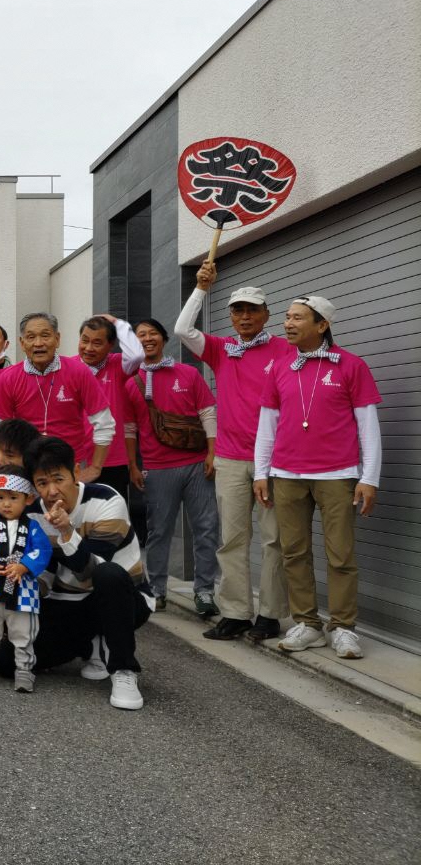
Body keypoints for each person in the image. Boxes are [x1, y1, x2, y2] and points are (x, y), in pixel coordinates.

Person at [255, 294, 381, 660]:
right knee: (294, 552)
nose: (288, 324)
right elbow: (268, 425)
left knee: (340, 554)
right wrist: (261, 471)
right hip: (286, 473)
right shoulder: (280, 367)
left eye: (297, 318)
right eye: (287, 317)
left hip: (337, 474)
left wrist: (369, 476)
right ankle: (307, 624)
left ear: (322, 324)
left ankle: (342, 627)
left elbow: (367, 426)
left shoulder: (351, 365)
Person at [175, 264, 292, 642]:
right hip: (229, 457)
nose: (244, 317)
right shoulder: (223, 349)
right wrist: (200, 289)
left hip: (275, 461)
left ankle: (271, 615)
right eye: (238, 311)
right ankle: (237, 613)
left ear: (266, 315)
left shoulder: (286, 349)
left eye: (252, 310)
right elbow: (182, 330)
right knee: (233, 540)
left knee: (275, 540)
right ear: (231, 316)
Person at [4, 437, 152, 710]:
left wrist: (66, 532)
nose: (52, 491)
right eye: (42, 483)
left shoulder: (106, 500)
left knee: (108, 573)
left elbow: (90, 571)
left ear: (76, 472)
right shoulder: (34, 515)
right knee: (6, 662)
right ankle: (89, 644)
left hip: (121, 599)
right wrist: (16, 580)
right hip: (68, 602)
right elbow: (44, 575)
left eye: (58, 479)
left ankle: (123, 669)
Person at [124, 317, 220, 615]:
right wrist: (133, 465)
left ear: (164, 339)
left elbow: (207, 413)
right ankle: (157, 590)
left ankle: (204, 591)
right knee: (159, 530)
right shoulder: (131, 383)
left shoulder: (188, 373)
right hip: (156, 466)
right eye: (141, 335)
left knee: (206, 528)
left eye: (153, 333)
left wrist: (212, 453)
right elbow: (129, 428)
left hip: (196, 463)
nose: (147, 338)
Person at [0, 312, 115, 483]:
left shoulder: (79, 371)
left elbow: (104, 422)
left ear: (57, 339)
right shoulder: (9, 377)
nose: (38, 343)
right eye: (31, 337)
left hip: (72, 466)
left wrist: (95, 467)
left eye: (45, 335)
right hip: (27, 469)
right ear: (22, 343)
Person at [0, 466, 53, 691]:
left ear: (28, 499)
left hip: (23, 590)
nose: (6, 504)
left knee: (24, 632)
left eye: (13, 498)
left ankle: (24, 670)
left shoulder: (33, 527)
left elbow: (43, 551)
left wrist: (24, 566)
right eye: (1, 498)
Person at [67, 314, 143, 499]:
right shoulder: (68, 366)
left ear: (110, 345)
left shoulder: (117, 365)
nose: (88, 348)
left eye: (97, 343)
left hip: (112, 460)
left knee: (113, 521)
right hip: (75, 458)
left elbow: (137, 355)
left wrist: (118, 323)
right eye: (84, 341)